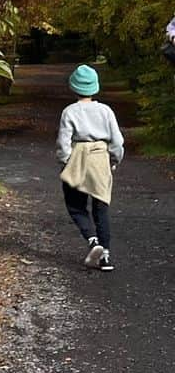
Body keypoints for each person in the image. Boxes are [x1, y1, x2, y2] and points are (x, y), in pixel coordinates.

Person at [55, 64, 124, 273]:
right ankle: (105, 257)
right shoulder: (105, 111)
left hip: (78, 158)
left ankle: (93, 241)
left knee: (75, 205)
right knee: (101, 207)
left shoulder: (69, 112)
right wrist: (114, 159)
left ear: (73, 87)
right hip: (100, 158)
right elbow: (117, 141)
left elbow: (63, 142)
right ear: (95, 87)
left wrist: (65, 162)